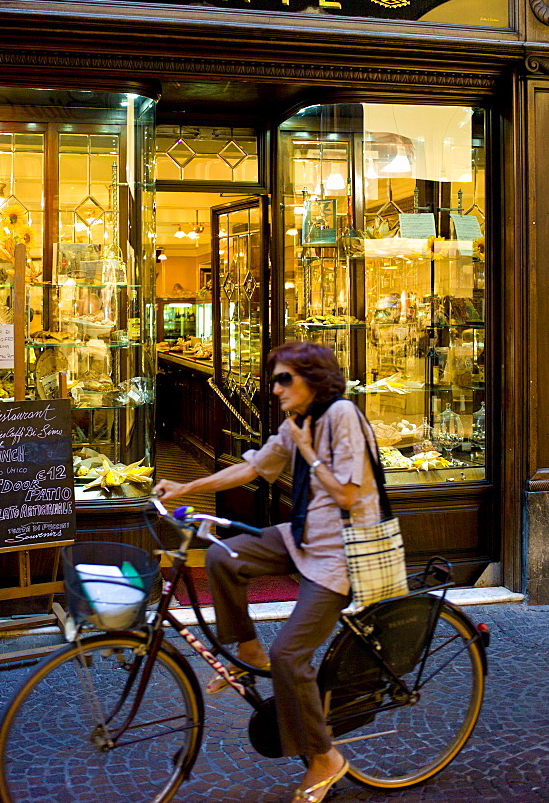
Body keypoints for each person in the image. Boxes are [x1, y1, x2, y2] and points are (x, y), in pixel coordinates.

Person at [155, 340, 381, 803]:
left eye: (284, 379)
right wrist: (186, 487)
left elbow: (351, 497)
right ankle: (249, 648)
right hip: (302, 535)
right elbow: (251, 469)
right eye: (274, 379)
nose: (275, 389)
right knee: (221, 555)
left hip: (340, 554)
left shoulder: (344, 419)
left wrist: (308, 452)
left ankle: (325, 758)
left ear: (313, 380)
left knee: (291, 656)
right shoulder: (296, 422)